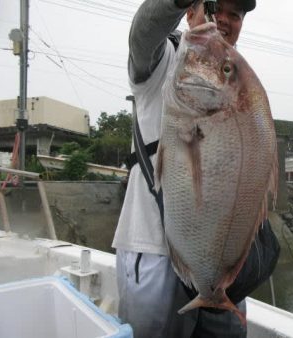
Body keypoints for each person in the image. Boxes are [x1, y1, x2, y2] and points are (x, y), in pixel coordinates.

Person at [112, 1, 269, 337]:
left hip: (223, 270)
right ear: (189, 11)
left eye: (236, 14)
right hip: (151, 249)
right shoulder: (162, 59)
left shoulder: (240, 81)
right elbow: (143, 30)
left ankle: (215, 290)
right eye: (215, 6)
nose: (224, 20)